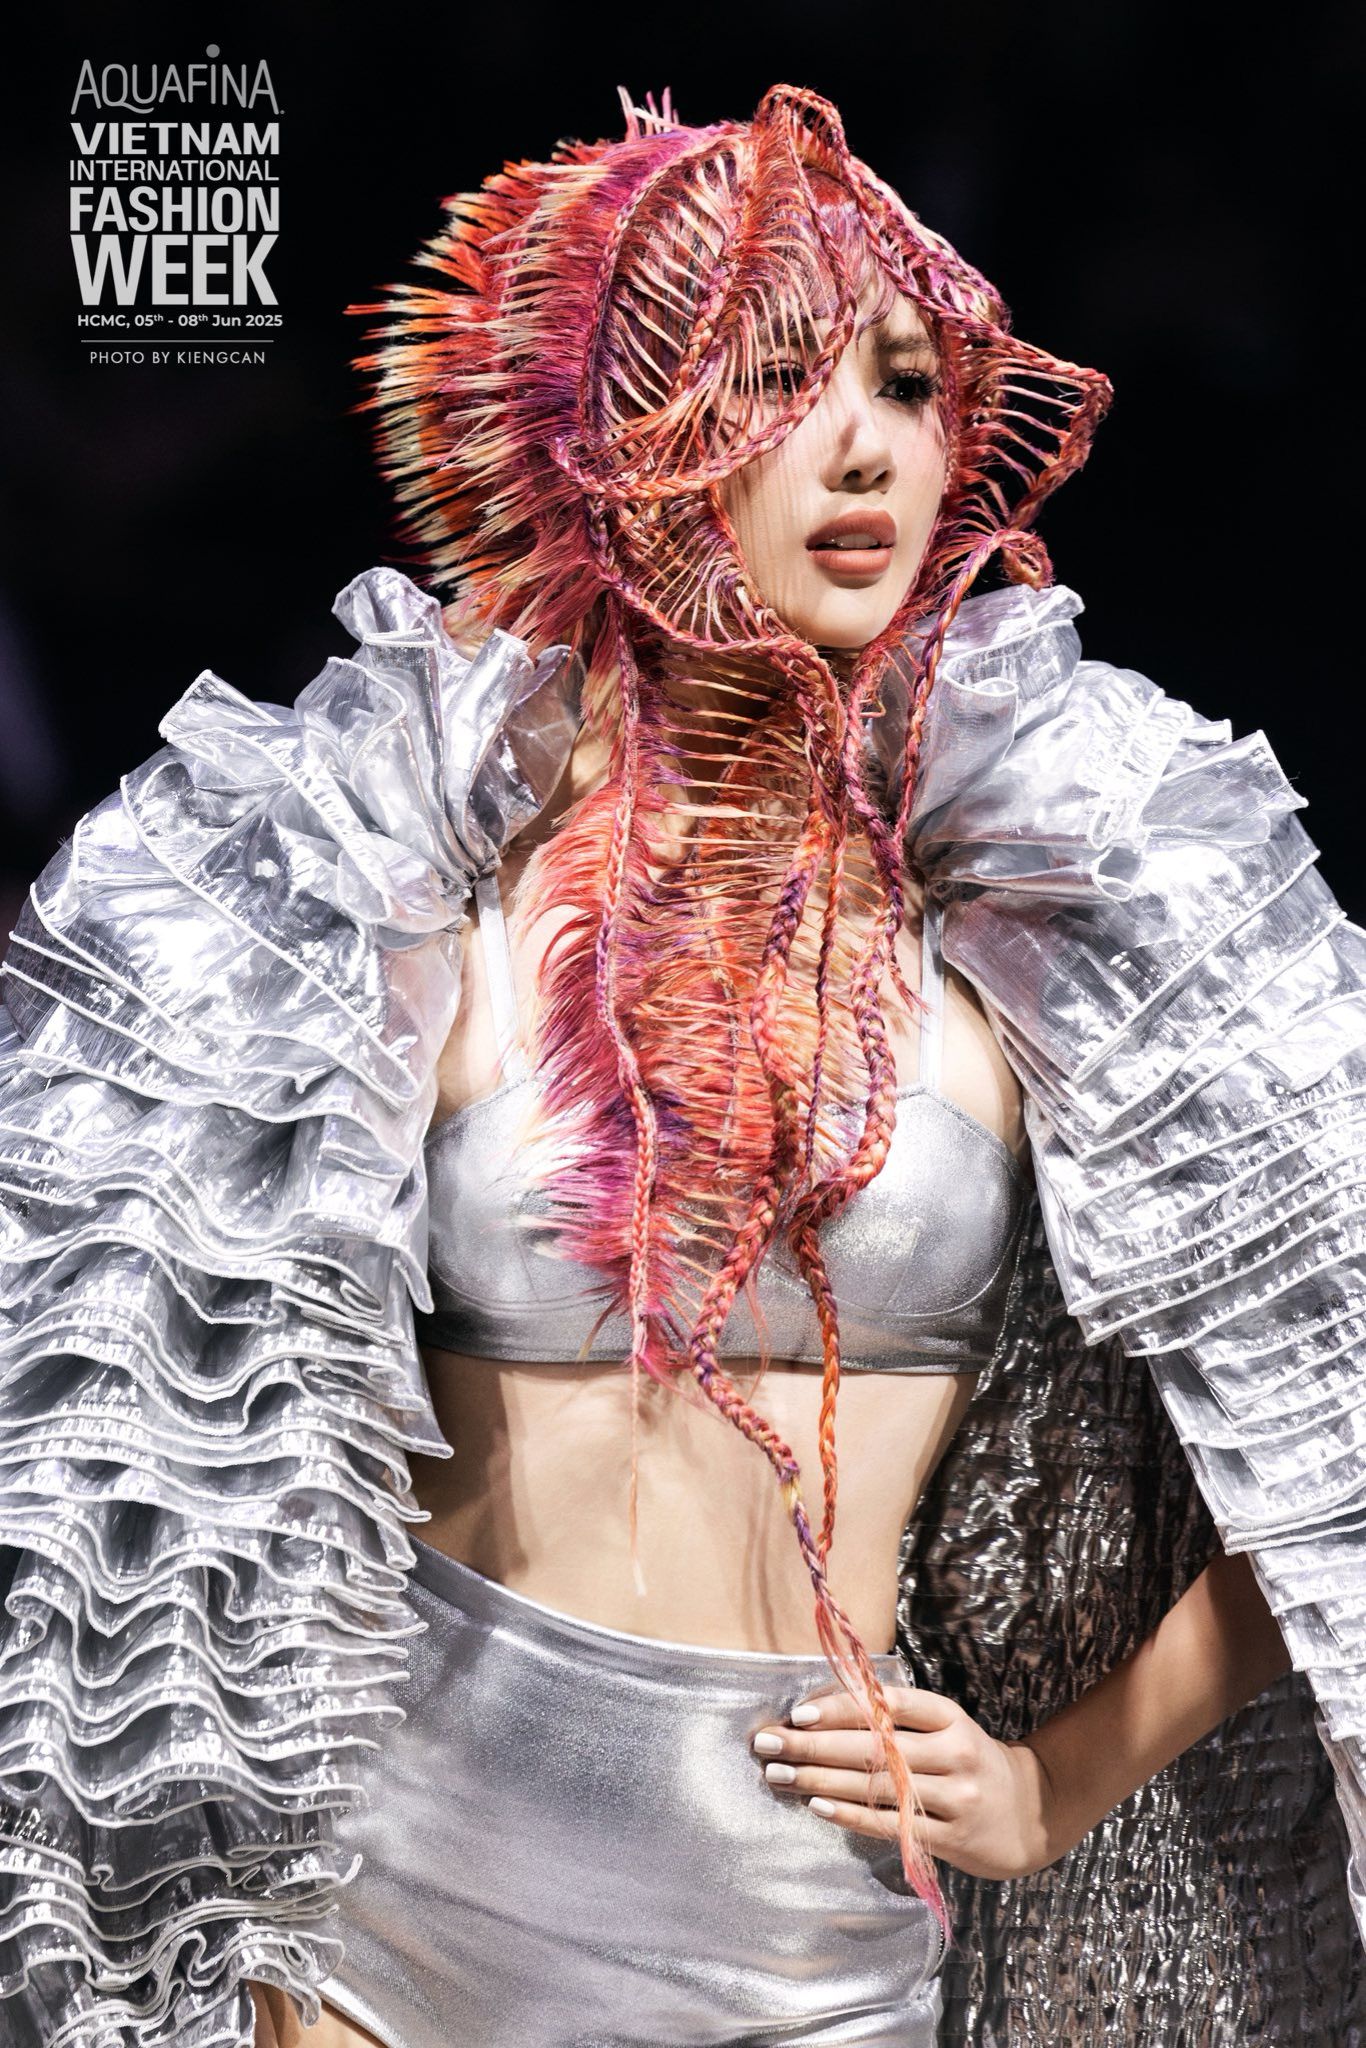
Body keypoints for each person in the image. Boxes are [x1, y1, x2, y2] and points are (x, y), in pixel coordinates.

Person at [1, 83, 1362, 2048]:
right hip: (384, 1928)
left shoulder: (1061, 926)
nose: (862, 443)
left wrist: (1053, 1778)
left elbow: (1334, 1421)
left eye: (905, 384)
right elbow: (133, 1437)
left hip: (811, 1946)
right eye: (774, 376)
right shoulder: (406, 908)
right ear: (622, 435)